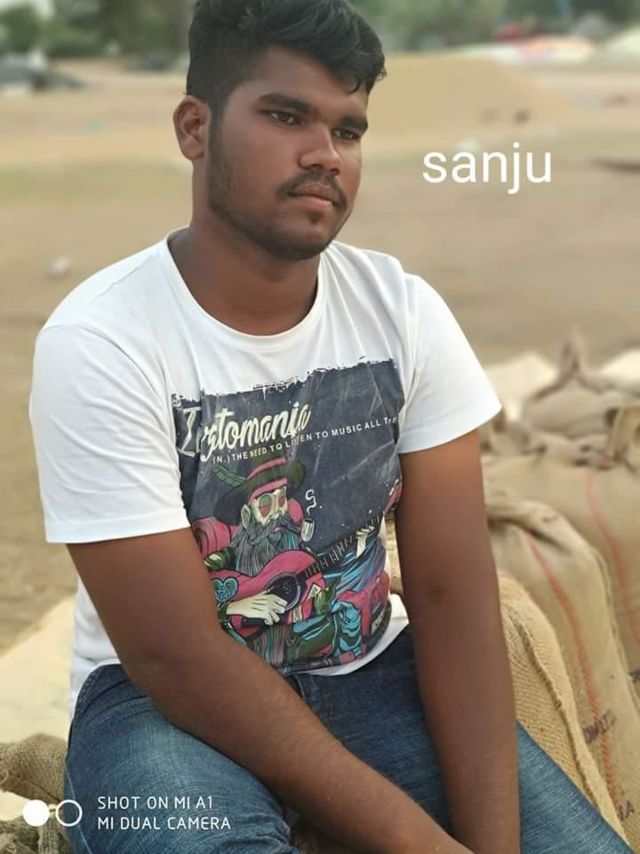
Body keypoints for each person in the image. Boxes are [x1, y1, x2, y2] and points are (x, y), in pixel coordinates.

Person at [29, 2, 633, 853]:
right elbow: (175, 656)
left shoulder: (402, 314)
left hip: (370, 671)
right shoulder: (104, 340)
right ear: (195, 128)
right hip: (156, 710)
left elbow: (452, 595)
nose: (325, 154)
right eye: (286, 117)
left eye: (348, 130)